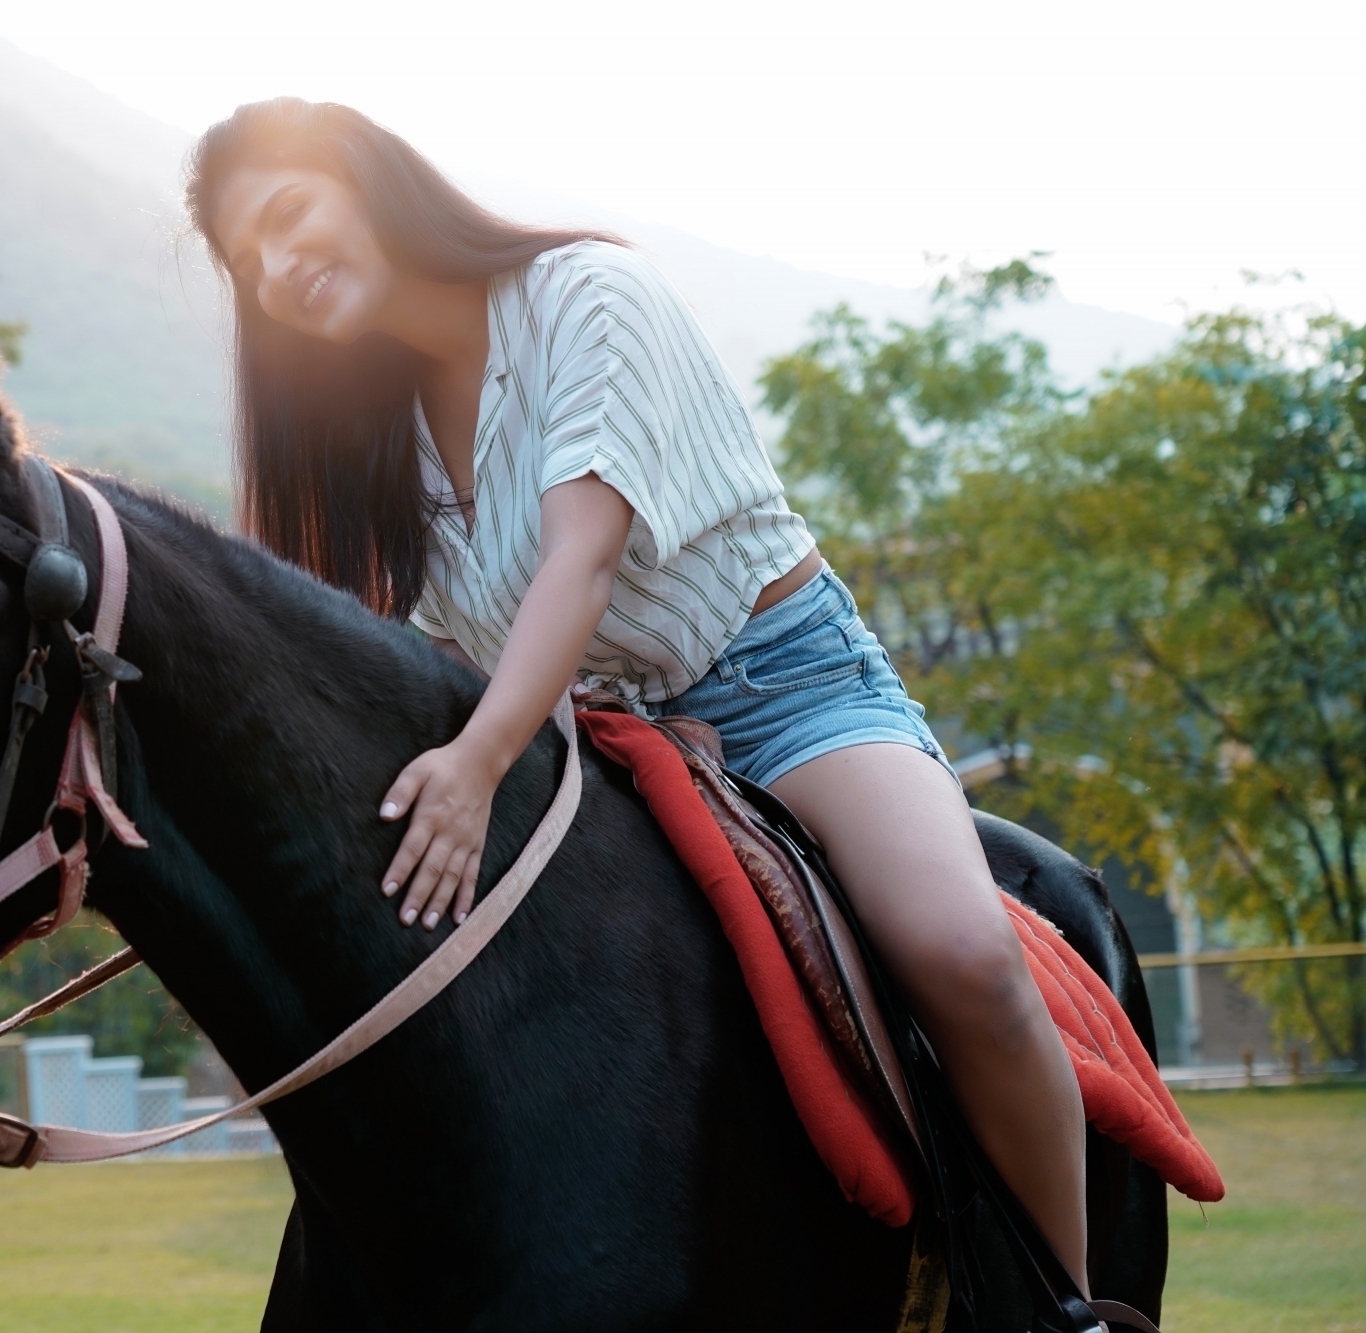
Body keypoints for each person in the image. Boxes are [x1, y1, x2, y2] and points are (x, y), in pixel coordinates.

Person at [187, 97, 1091, 1298]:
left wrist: (472, 764)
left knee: (963, 952)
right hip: (583, 746)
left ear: (370, 182)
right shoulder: (371, 439)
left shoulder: (585, 295)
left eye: (289, 214)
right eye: (249, 264)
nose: (279, 266)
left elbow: (583, 557)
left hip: (776, 685)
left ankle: (1061, 1310)